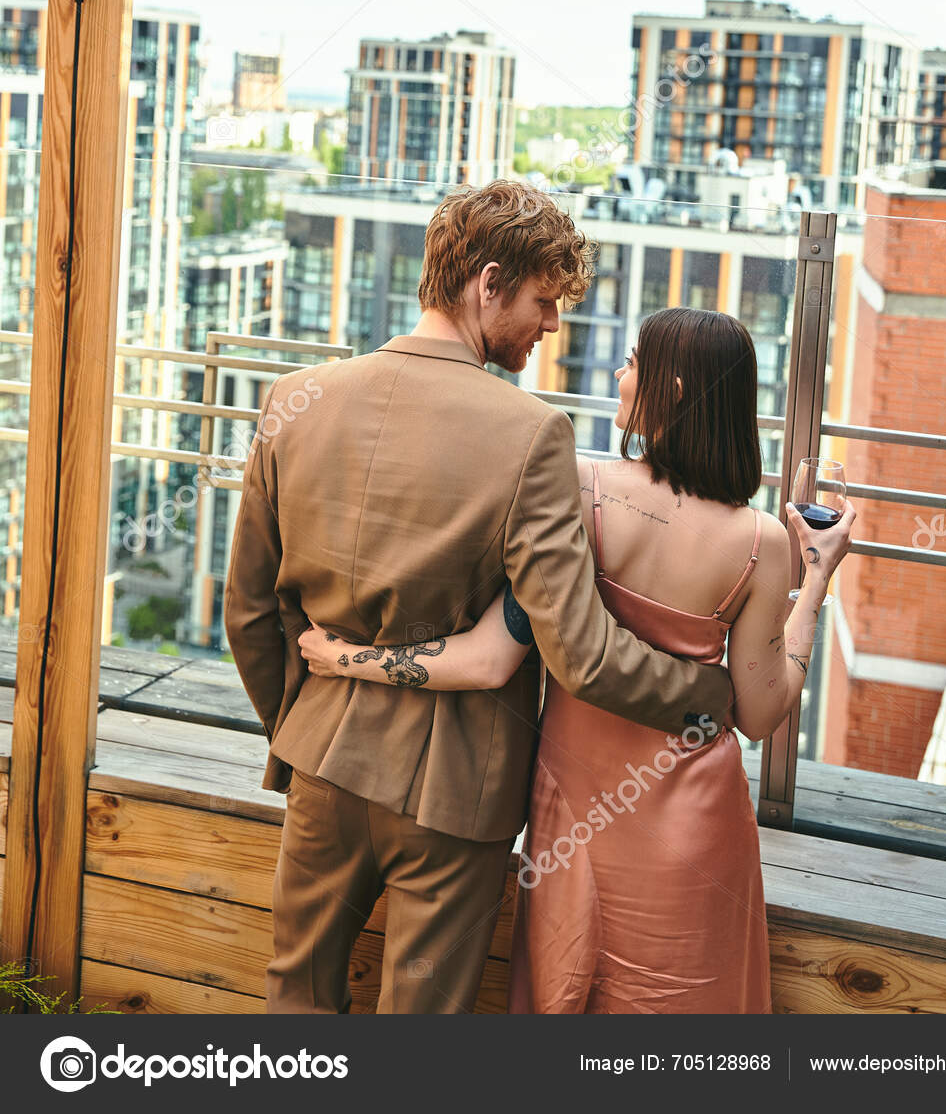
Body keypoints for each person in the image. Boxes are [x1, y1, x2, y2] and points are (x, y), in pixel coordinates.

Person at [224, 183, 734, 1016]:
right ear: (487, 283)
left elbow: (250, 609)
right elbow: (582, 651)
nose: (552, 326)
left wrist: (301, 720)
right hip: (453, 791)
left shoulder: (294, 398)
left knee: (297, 999)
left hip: (319, 754)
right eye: (542, 301)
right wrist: (712, 696)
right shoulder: (532, 433)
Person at [302, 305, 854, 1013]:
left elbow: (490, 655)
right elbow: (760, 711)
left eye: (632, 363)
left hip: (574, 815)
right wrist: (815, 583)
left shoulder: (577, 490)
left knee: (565, 992)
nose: (620, 375)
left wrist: (347, 659)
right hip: (695, 822)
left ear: (673, 390)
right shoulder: (759, 541)